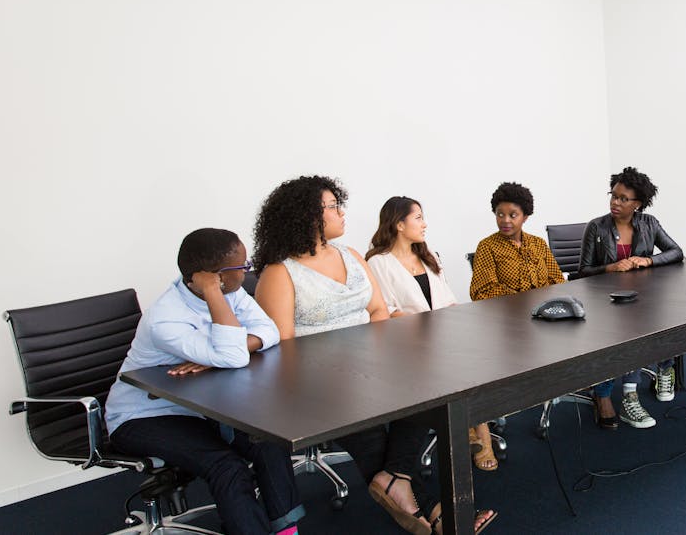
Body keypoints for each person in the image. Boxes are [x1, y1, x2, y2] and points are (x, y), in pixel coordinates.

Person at [252, 176, 495, 535]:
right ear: (306, 216)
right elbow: (283, 347)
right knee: (368, 428)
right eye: (333, 206)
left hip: (370, 366)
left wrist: (375, 358)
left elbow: (379, 311)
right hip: (318, 381)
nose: (341, 212)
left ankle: (396, 480)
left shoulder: (350, 256)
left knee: (431, 386)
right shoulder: (279, 272)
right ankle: (433, 510)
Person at [104, 228, 304, 535]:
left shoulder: (233, 292)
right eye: (242, 266)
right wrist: (217, 310)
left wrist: (219, 354)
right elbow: (233, 356)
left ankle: (286, 529)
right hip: (143, 416)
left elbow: (270, 331)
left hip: (201, 407)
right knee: (227, 466)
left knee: (268, 440)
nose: (248, 270)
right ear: (214, 277)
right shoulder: (165, 318)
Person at [364, 196, 496, 472]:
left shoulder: (428, 256)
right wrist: (432, 325)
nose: (425, 224)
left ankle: (473, 428)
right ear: (399, 224)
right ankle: (476, 433)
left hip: (440, 336)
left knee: (473, 355)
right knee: (456, 363)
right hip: (405, 344)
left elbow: (447, 300)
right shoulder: (378, 262)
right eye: (418, 218)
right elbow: (385, 311)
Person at [578, 167, 684, 430]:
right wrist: (610, 268)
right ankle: (629, 396)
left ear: (637, 204)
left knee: (670, 316)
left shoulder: (649, 223)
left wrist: (647, 259)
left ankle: (665, 368)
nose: (616, 202)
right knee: (630, 334)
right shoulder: (597, 227)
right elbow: (582, 271)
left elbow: (676, 251)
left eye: (624, 198)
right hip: (607, 302)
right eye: (614, 196)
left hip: (642, 297)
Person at [469, 181, 565, 302]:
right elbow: (482, 291)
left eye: (513, 215)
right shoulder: (487, 246)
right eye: (500, 214)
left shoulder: (539, 243)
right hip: (507, 315)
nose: (505, 220)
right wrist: (524, 300)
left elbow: (558, 280)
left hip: (543, 310)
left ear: (525, 217)